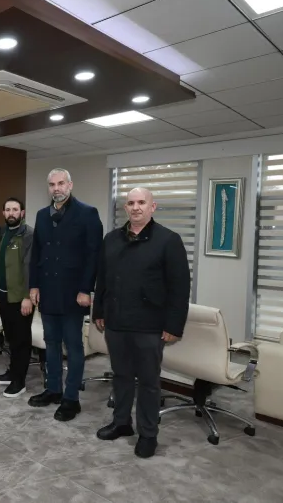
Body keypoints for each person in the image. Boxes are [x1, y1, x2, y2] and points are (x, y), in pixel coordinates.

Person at [92, 187, 190, 459]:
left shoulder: (168, 240)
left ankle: (148, 434)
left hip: (150, 325)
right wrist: (99, 311)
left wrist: (174, 326)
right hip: (116, 321)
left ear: (152, 207)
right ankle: (121, 422)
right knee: (121, 376)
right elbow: (103, 278)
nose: (136, 207)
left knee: (148, 381)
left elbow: (180, 288)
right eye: (131, 203)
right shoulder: (112, 239)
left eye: (141, 202)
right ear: (125, 208)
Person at [28, 168, 103, 421]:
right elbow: (37, 253)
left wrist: (86, 289)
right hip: (48, 291)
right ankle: (53, 389)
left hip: (74, 293)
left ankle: (71, 398)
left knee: (73, 346)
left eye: (61, 183)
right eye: (52, 184)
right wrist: (34, 285)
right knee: (50, 343)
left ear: (70, 185)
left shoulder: (87, 213)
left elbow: (93, 255)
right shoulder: (42, 215)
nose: (56, 188)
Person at [0, 198, 34, 398]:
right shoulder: (2, 233)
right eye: (8, 209)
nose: (11, 213)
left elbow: (30, 267)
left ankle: (19, 381)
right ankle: (12, 372)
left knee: (21, 339)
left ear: (22, 213)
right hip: (3, 294)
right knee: (10, 337)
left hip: (20, 297)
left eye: (15, 209)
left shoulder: (28, 234)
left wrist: (27, 297)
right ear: (3, 213)